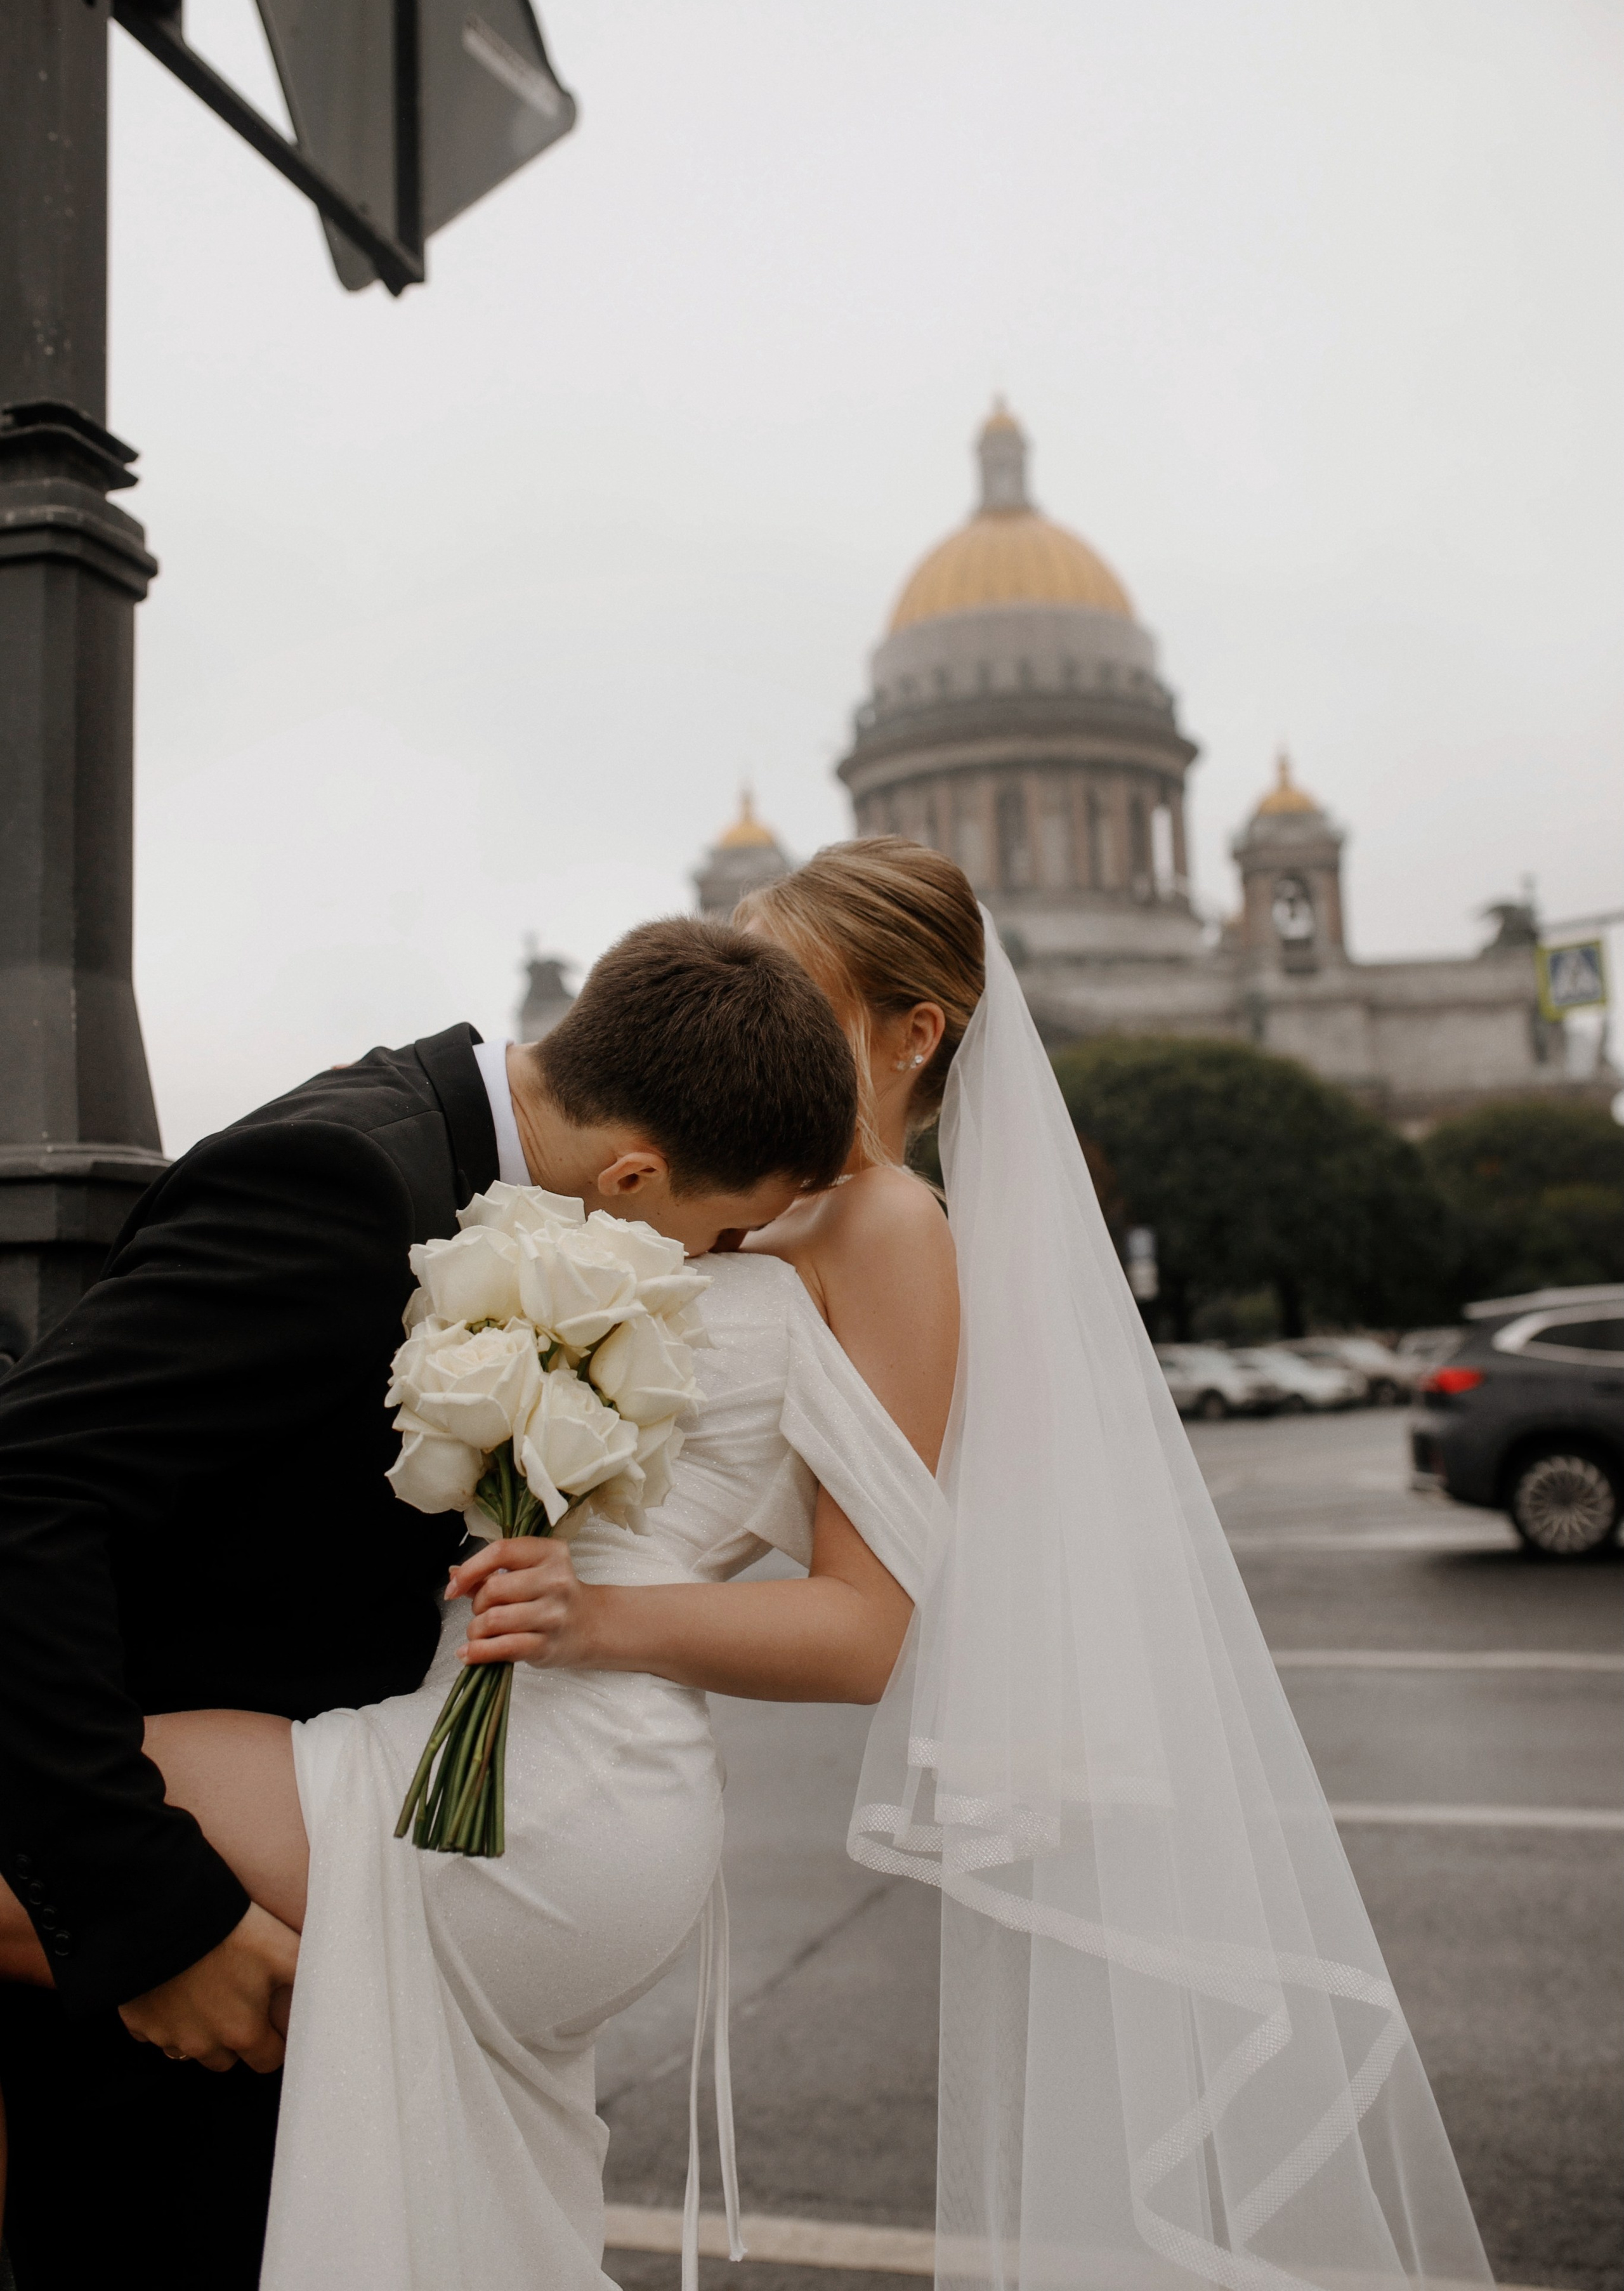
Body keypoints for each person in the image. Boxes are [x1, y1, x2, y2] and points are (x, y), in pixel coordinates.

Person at [6, 837, 1494, 2291]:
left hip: (561, 1776)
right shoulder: (700, 1195)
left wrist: (599, 1618)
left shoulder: (890, 1228)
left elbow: (864, 1629)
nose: (755, 1028)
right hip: (471, 1746)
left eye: (797, 995)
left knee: (76, 1890)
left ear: (914, 1033)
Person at [0, 917, 860, 2291]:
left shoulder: (459, 1153)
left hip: (336, 1887)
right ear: (633, 1172)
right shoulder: (341, 1181)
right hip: (202, 1936)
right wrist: (155, 1921)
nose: (722, 1261)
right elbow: (27, 1490)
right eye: (722, 1231)